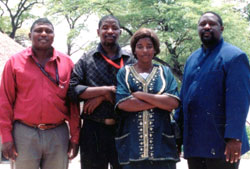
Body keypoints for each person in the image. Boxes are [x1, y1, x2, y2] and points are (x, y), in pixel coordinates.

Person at [0, 18, 80, 169]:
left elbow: (73, 104)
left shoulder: (67, 63)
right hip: (24, 133)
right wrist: (5, 137)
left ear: (54, 36)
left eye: (48, 31)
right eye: (38, 30)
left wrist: (75, 137)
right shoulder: (14, 62)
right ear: (30, 35)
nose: (43, 34)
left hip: (58, 134)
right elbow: (5, 101)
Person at [175, 11, 250, 169]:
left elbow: (239, 101)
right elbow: (183, 100)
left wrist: (235, 138)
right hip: (194, 143)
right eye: (202, 24)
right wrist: (178, 137)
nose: (207, 27)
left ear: (221, 28)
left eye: (212, 24)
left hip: (222, 144)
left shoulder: (234, 56)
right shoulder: (192, 59)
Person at [68, 15, 136, 169]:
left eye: (114, 28)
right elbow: (72, 90)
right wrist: (105, 92)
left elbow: (137, 91)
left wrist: (100, 97)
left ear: (120, 32)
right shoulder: (86, 59)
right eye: (105, 27)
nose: (110, 31)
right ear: (98, 31)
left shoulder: (131, 60)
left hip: (124, 129)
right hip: (93, 131)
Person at [115, 28, 180, 169]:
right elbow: (124, 104)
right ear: (134, 50)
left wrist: (139, 95)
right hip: (132, 148)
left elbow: (173, 102)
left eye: (149, 46)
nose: (145, 50)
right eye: (140, 47)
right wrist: (159, 101)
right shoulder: (124, 73)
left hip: (162, 147)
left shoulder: (164, 72)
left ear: (155, 49)